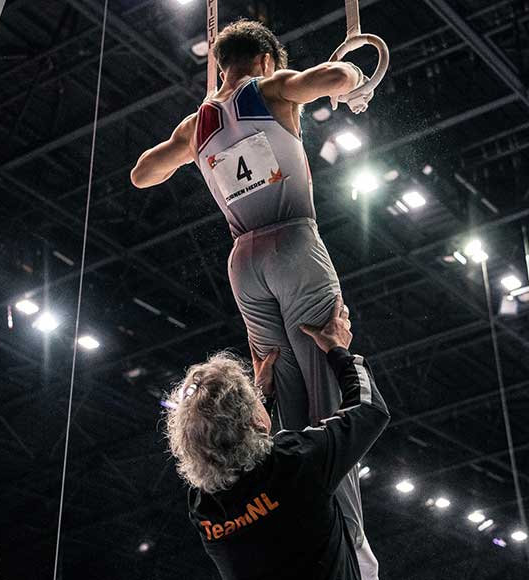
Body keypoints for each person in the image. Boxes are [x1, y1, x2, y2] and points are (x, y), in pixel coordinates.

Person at [131, 18, 379, 576]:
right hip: (293, 243)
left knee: (281, 403)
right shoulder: (271, 88)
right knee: (328, 393)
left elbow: (142, 174)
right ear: (267, 61)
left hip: (244, 262)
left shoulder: (196, 125)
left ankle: (300, 523)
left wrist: (196, 137)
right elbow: (336, 74)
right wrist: (355, 86)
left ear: (221, 65)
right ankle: (354, 550)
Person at [166, 299, 389, 580]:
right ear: (255, 421)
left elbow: (242, 468)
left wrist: (261, 399)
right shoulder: (294, 464)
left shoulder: (206, 510)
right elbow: (370, 410)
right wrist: (339, 349)